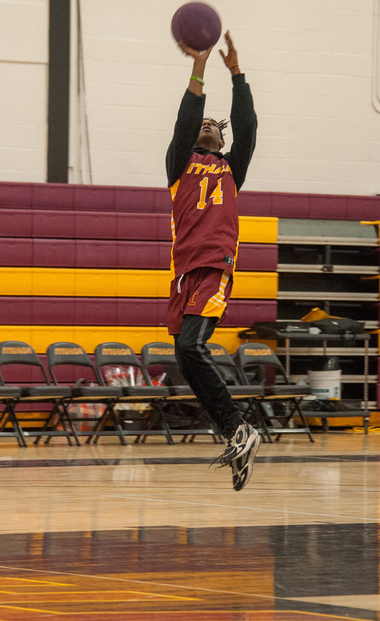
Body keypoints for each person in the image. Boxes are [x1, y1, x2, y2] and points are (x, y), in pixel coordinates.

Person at [166, 31, 260, 491]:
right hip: (184, 274)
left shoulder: (231, 171)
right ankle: (235, 432)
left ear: (222, 141)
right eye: (204, 124)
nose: (209, 126)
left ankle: (241, 428)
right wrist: (198, 66)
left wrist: (236, 74)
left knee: (189, 349)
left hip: (215, 267)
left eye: (216, 125)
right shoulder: (179, 166)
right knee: (185, 357)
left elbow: (249, 128)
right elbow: (185, 119)